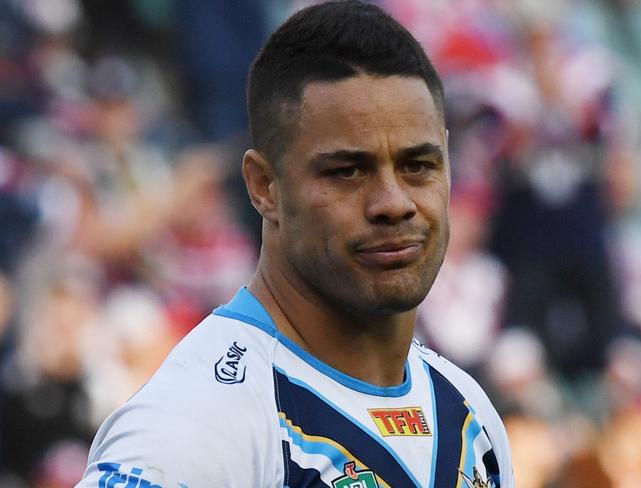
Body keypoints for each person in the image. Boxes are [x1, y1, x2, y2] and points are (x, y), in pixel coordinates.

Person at [76, 1, 514, 487]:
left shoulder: (471, 414)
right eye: (346, 171)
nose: (394, 203)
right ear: (264, 186)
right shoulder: (197, 426)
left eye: (418, 165)